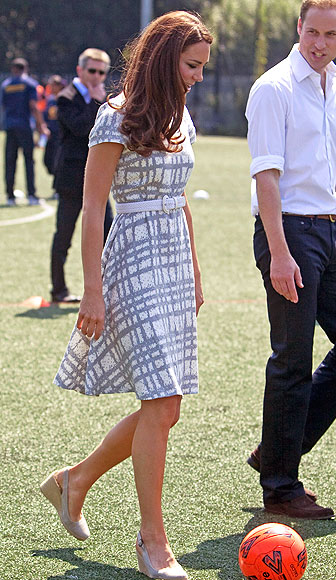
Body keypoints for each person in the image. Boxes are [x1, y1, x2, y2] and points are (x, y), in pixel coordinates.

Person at [40, 11, 212, 579]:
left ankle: (74, 480)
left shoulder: (181, 113)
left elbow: (181, 197)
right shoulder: (113, 117)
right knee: (162, 403)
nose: (198, 77)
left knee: (167, 407)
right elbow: (93, 206)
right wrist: (92, 288)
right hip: (131, 259)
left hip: (172, 263)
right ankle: (152, 541)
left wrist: (193, 268)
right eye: (191, 65)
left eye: (202, 67)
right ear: (165, 59)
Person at [245, 0, 336, 520]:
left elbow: (334, 157)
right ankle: (280, 486)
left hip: (328, 229)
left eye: (329, 33)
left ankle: (277, 449)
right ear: (297, 27)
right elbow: (266, 178)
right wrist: (279, 253)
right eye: (311, 31)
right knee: (293, 358)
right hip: (289, 233)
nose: (318, 43)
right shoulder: (273, 87)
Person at [50, 48, 114, 303]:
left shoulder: (103, 98)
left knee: (108, 236)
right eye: (92, 71)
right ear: (80, 70)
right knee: (63, 236)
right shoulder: (66, 97)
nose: (97, 76)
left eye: (102, 72)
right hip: (70, 179)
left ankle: (108, 290)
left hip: (97, 181)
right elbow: (82, 129)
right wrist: (98, 103)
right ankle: (59, 290)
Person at [1, 57, 49, 206]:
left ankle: (10, 196)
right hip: (25, 126)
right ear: (25, 69)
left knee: (10, 161)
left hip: (10, 126)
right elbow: (34, 106)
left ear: (13, 69)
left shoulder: (6, 85)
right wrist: (41, 126)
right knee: (29, 160)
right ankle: (32, 195)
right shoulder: (29, 84)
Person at [43, 75, 66, 197]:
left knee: (57, 161)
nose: (51, 88)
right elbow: (47, 116)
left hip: (60, 135)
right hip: (51, 134)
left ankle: (57, 188)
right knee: (47, 160)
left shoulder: (65, 99)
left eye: (53, 85)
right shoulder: (51, 100)